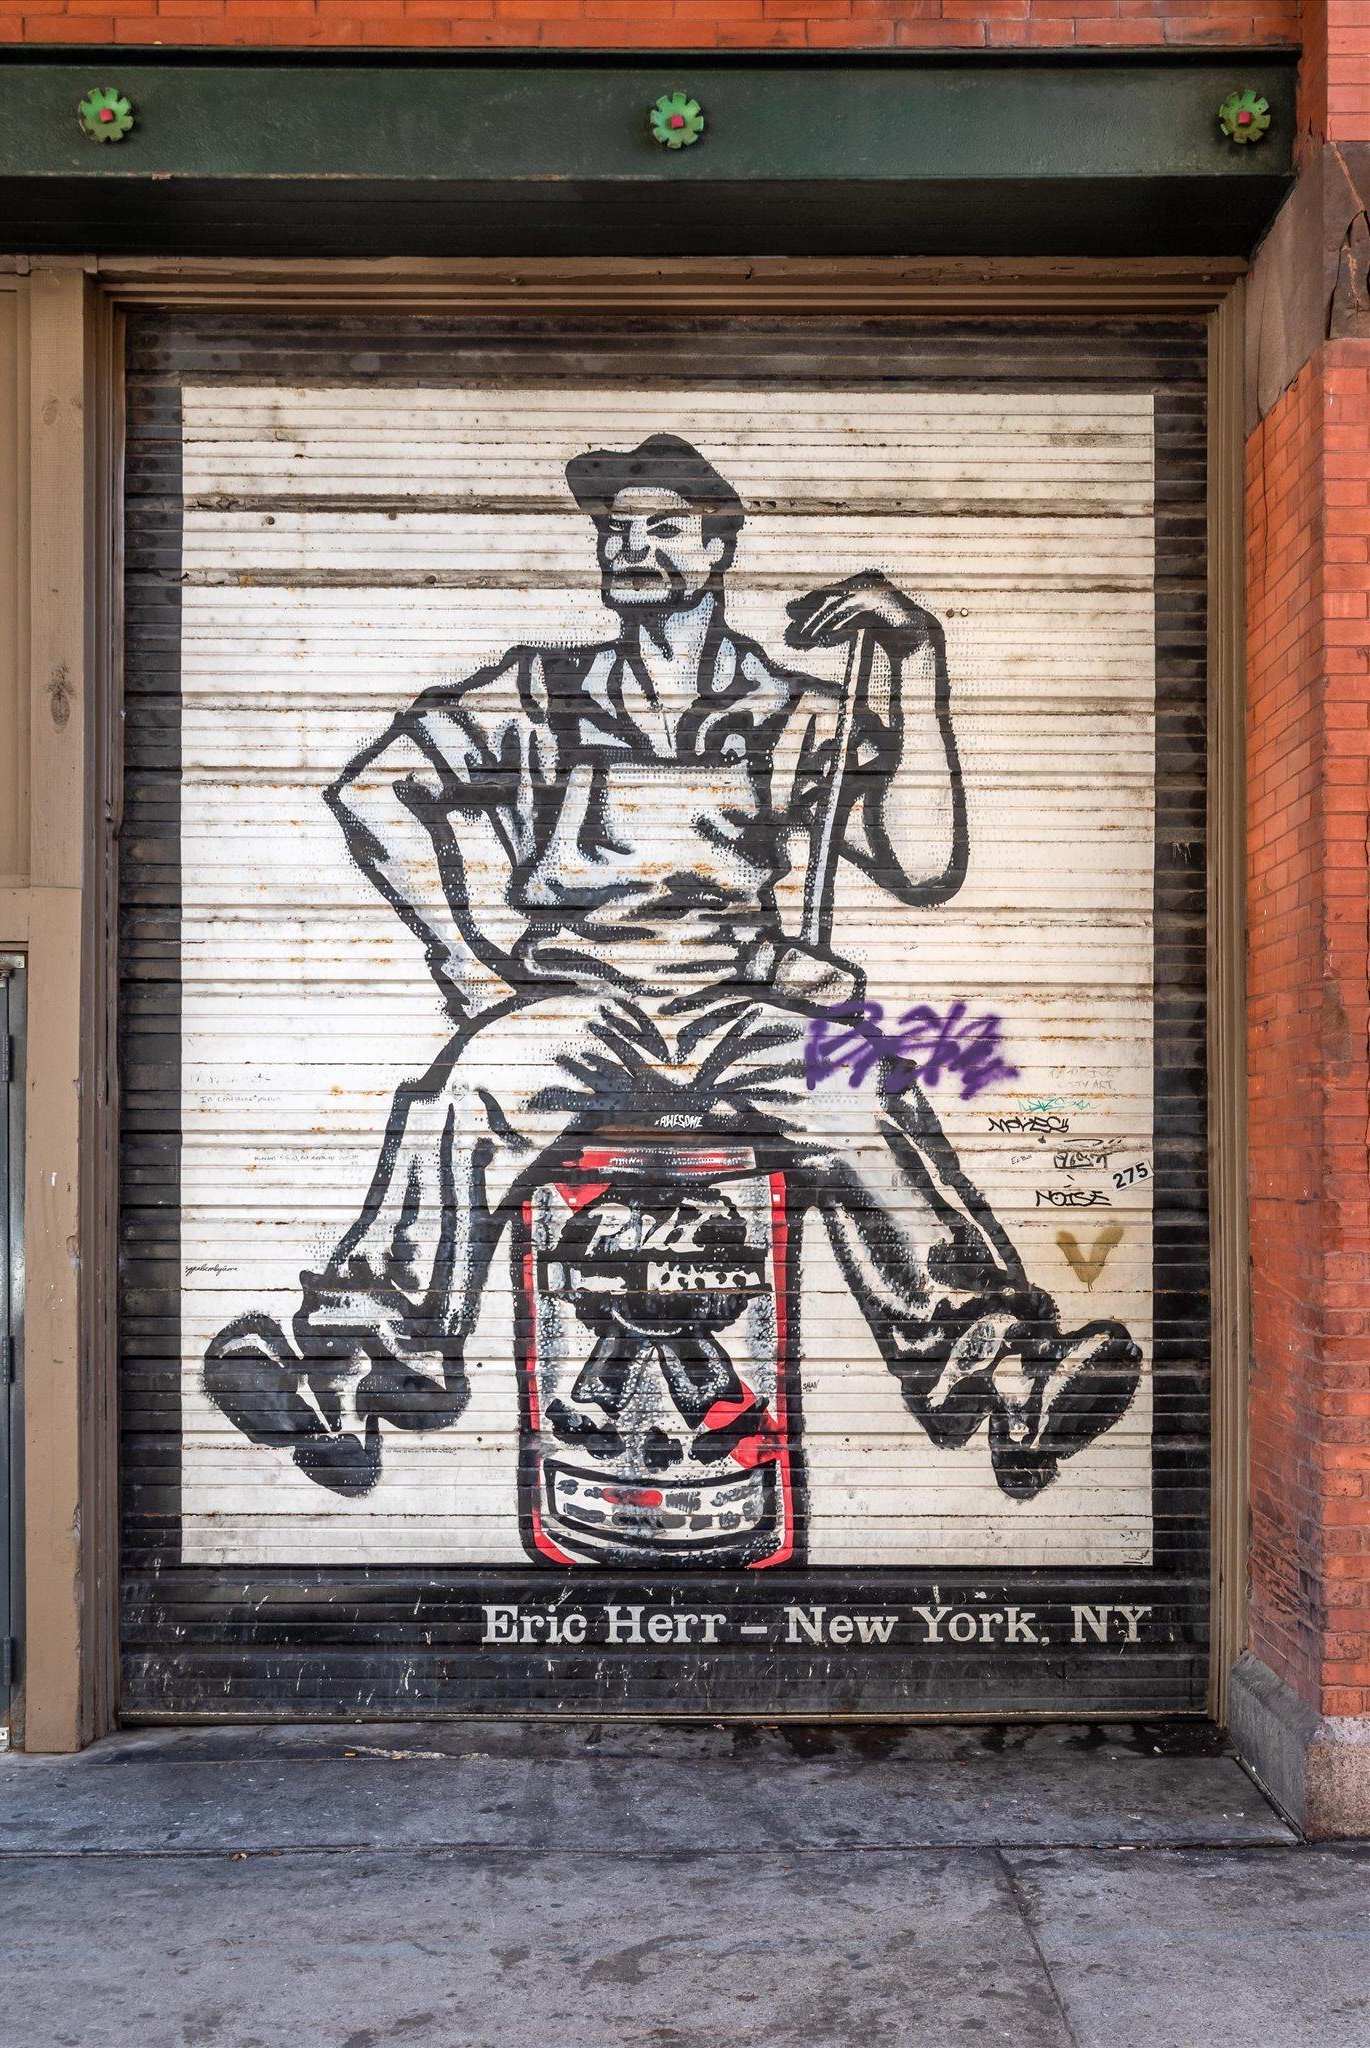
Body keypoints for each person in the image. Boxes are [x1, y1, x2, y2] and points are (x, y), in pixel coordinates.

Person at [207, 433, 1139, 1504]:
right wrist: (469, 963)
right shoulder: (541, 691)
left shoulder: (790, 711)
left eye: (662, 527)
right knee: (463, 1097)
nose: (630, 546)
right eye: (616, 529)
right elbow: (377, 791)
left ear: (717, 547)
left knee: (865, 1090)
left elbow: (924, 864)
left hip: (741, 1011)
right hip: (579, 1009)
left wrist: (915, 656)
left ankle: (1007, 1372)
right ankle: (348, 1372)